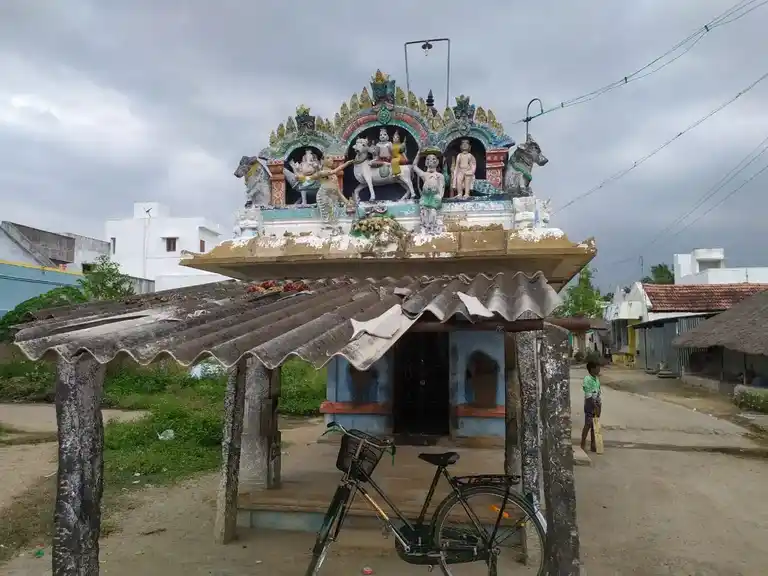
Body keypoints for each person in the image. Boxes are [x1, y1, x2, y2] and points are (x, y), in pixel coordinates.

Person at [580, 361, 602, 453]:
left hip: (596, 403)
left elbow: (598, 393)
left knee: (594, 425)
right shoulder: (587, 379)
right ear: (592, 369)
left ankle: (593, 445)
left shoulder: (596, 379)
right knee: (588, 424)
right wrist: (595, 406)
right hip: (590, 404)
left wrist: (599, 405)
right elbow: (588, 396)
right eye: (597, 367)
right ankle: (582, 443)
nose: (599, 369)